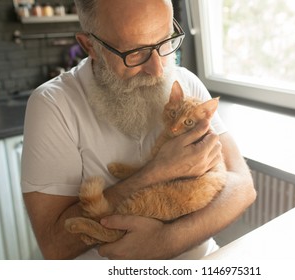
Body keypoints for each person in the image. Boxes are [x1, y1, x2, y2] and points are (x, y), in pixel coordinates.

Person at [21, 0, 256, 260]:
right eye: (135, 52)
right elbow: (54, 245)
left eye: (165, 41)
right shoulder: (53, 105)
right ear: (91, 46)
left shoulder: (185, 82)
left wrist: (167, 241)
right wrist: (157, 172)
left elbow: (242, 186)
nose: (158, 69)